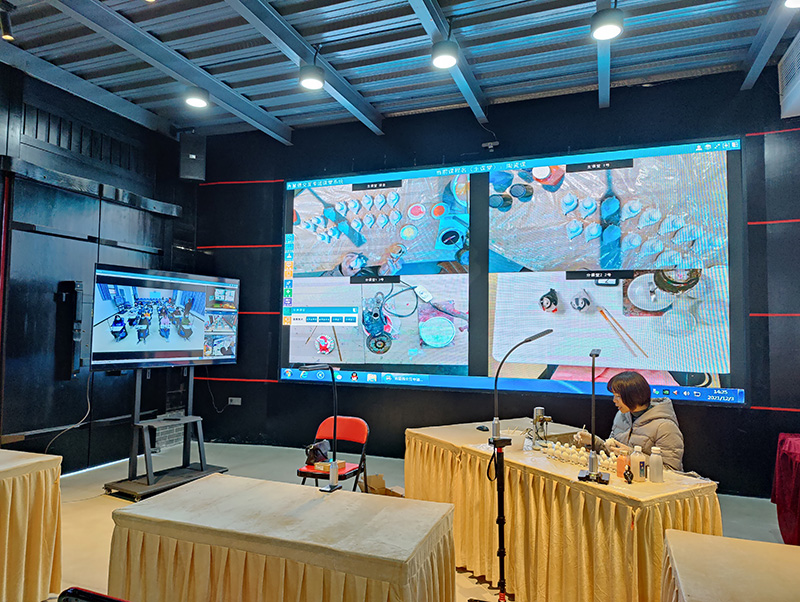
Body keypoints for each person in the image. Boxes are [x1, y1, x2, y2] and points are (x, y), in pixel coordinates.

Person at [574, 370, 684, 471]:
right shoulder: (621, 415)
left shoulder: (665, 427)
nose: (614, 400)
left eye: (618, 396)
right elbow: (613, 451)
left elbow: (671, 471)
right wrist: (593, 442)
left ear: (633, 397)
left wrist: (633, 455)